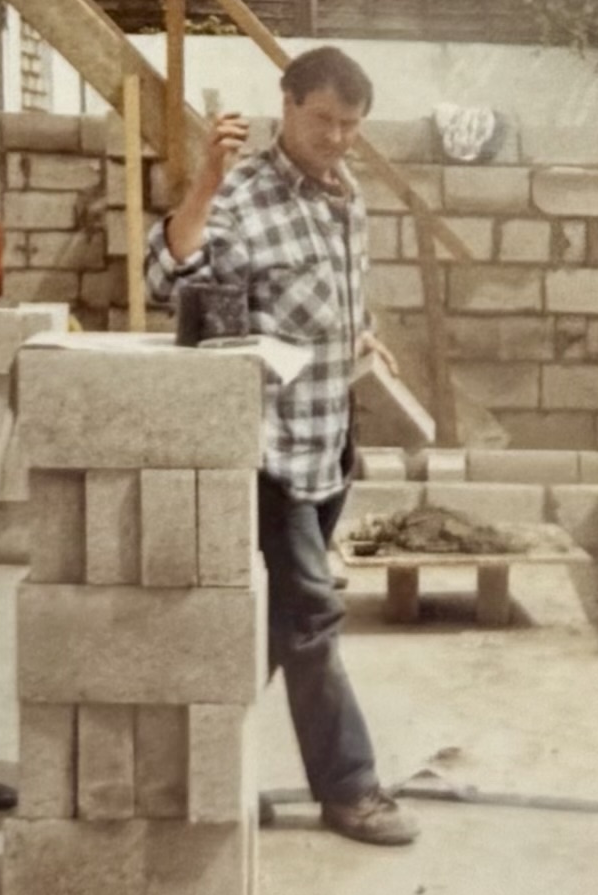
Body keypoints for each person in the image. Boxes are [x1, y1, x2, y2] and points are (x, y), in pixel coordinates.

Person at [145, 44, 416, 847]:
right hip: (267, 443)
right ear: (287, 104)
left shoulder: (347, 195)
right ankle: (351, 787)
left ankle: (187, 762)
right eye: (324, 119)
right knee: (313, 614)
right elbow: (168, 276)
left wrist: (364, 338)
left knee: (285, 624)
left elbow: (334, 292)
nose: (336, 138)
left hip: (329, 437)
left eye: (351, 126)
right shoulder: (244, 194)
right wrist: (203, 180)